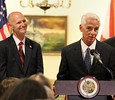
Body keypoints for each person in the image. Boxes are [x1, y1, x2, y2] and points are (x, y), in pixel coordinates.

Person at [56, 13, 115, 100]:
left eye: (96, 29)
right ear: (81, 28)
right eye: (89, 28)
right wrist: (56, 85)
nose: (93, 32)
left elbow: (112, 76)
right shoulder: (68, 51)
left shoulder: (108, 51)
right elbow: (62, 77)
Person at [0, 11, 43, 82]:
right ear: (11, 26)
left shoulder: (35, 47)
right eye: (19, 22)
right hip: (10, 91)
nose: (23, 24)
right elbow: (2, 75)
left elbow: (39, 74)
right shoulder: (2, 46)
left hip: (31, 90)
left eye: (24, 21)